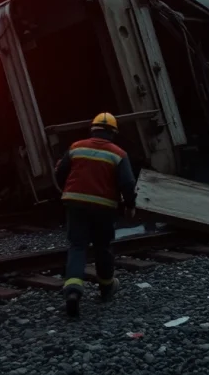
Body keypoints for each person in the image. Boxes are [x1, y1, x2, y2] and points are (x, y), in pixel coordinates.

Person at [54, 112, 137, 318]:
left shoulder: (76, 147)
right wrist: (129, 205)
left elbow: (60, 172)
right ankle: (106, 288)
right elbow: (127, 183)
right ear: (113, 133)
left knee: (77, 246)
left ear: (93, 129)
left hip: (75, 204)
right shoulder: (118, 154)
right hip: (103, 207)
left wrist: (70, 189)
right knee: (102, 247)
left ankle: (73, 291)